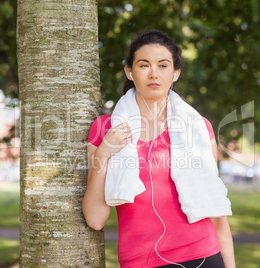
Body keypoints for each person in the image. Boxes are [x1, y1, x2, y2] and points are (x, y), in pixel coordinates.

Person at [82, 30, 236, 268]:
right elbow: (95, 219)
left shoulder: (198, 128)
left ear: (175, 73)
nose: (154, 73)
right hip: (140, 261)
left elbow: (216, 213)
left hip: (204, 256)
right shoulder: (105, 129)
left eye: (163, 65)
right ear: (129, 72)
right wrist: (103, 153)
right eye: (144, 65)